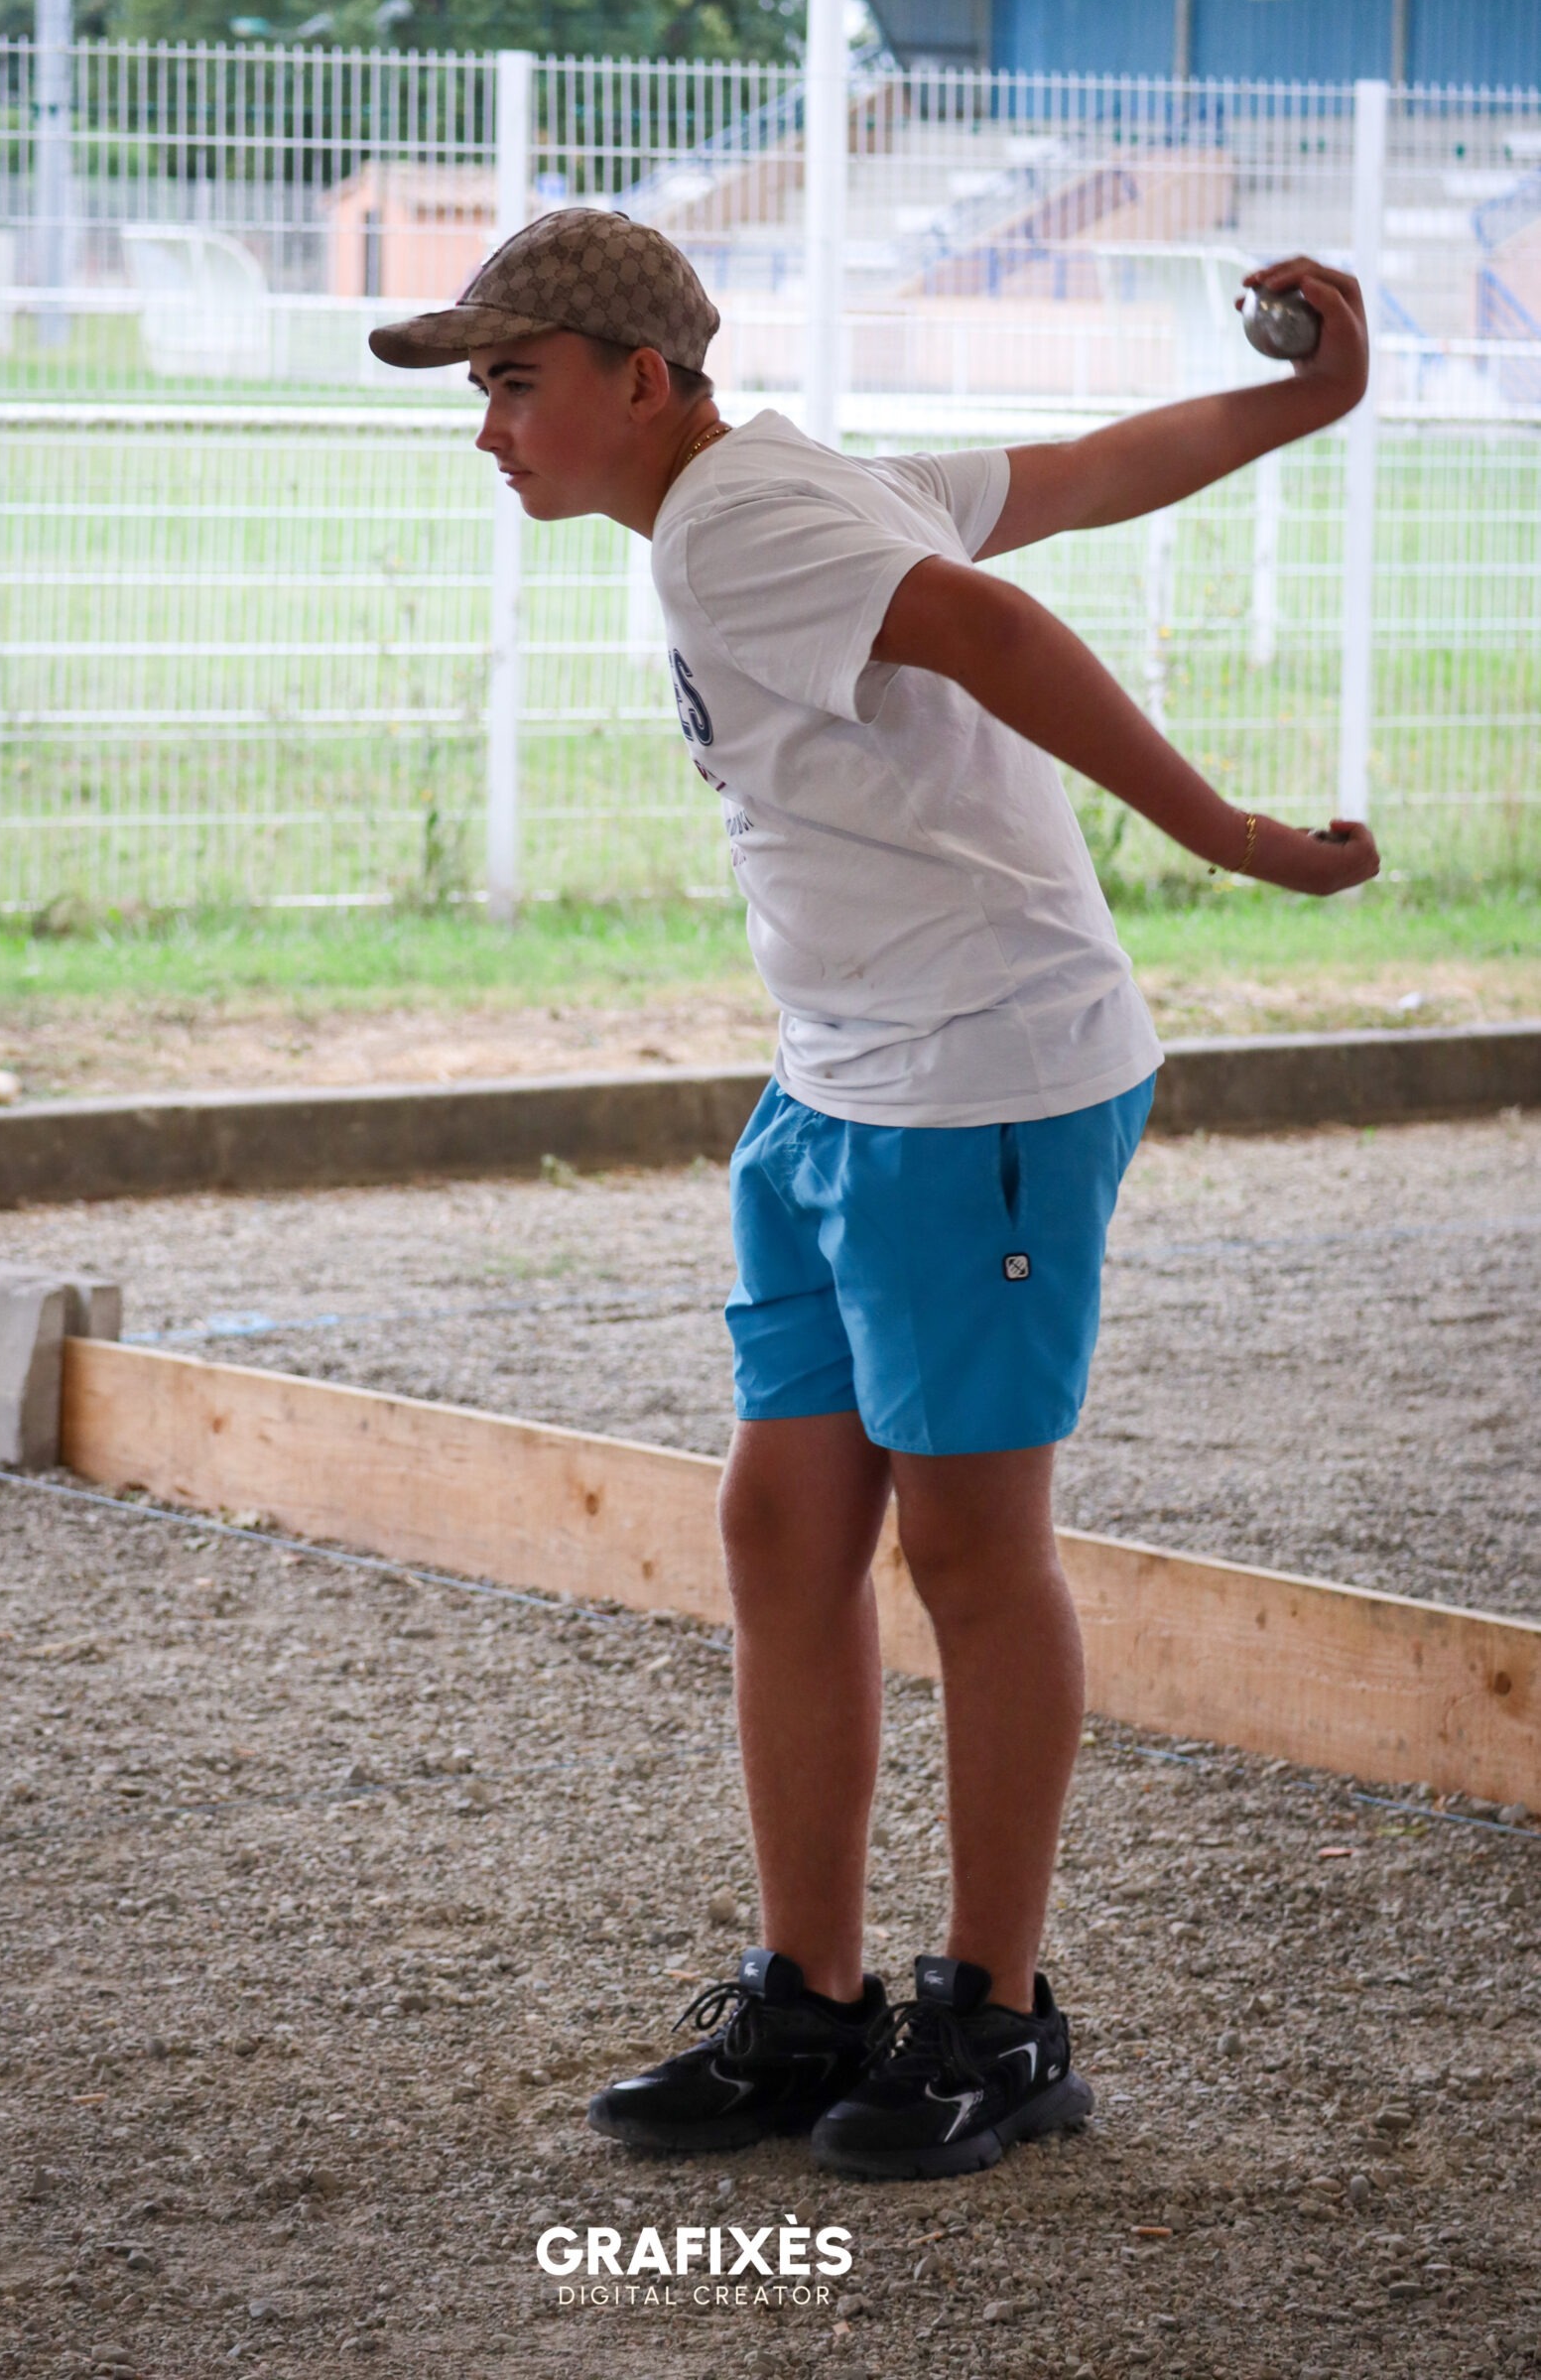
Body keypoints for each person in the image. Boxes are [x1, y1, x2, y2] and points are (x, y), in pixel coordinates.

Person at [368, 212, 1378, 2181]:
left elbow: (997, 628)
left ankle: (997, 2022)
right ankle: (809, 2001)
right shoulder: (783, 487)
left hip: (976, 1074)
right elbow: (1082, 474)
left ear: (640, 379)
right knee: (780, 1528)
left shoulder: (740, 522)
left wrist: (1238, 841)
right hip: (837, 1079)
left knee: (971, 1554)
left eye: (514, 381)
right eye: (477, 386)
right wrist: (1304, 400)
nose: (488, 428)